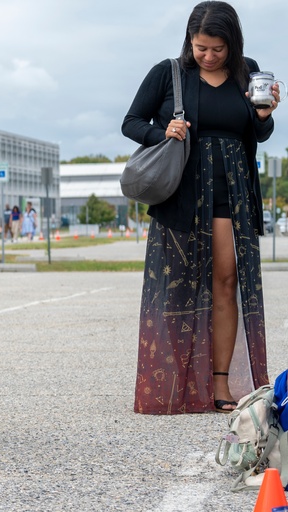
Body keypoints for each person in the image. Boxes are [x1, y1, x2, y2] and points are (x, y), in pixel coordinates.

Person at [122, 1, 278, 414]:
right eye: (200, 47)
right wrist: (163, 131)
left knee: (226, 281)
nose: (207, 56)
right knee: (177, 289)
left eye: (217, 49)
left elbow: (257, 132)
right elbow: (131, 121)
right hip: (182, 195)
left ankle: (221, 382)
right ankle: (175, 383)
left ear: (233, 45)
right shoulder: (169, 72)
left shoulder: (248, 71)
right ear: (189, 41)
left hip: (233, 192)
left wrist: (264, 113)